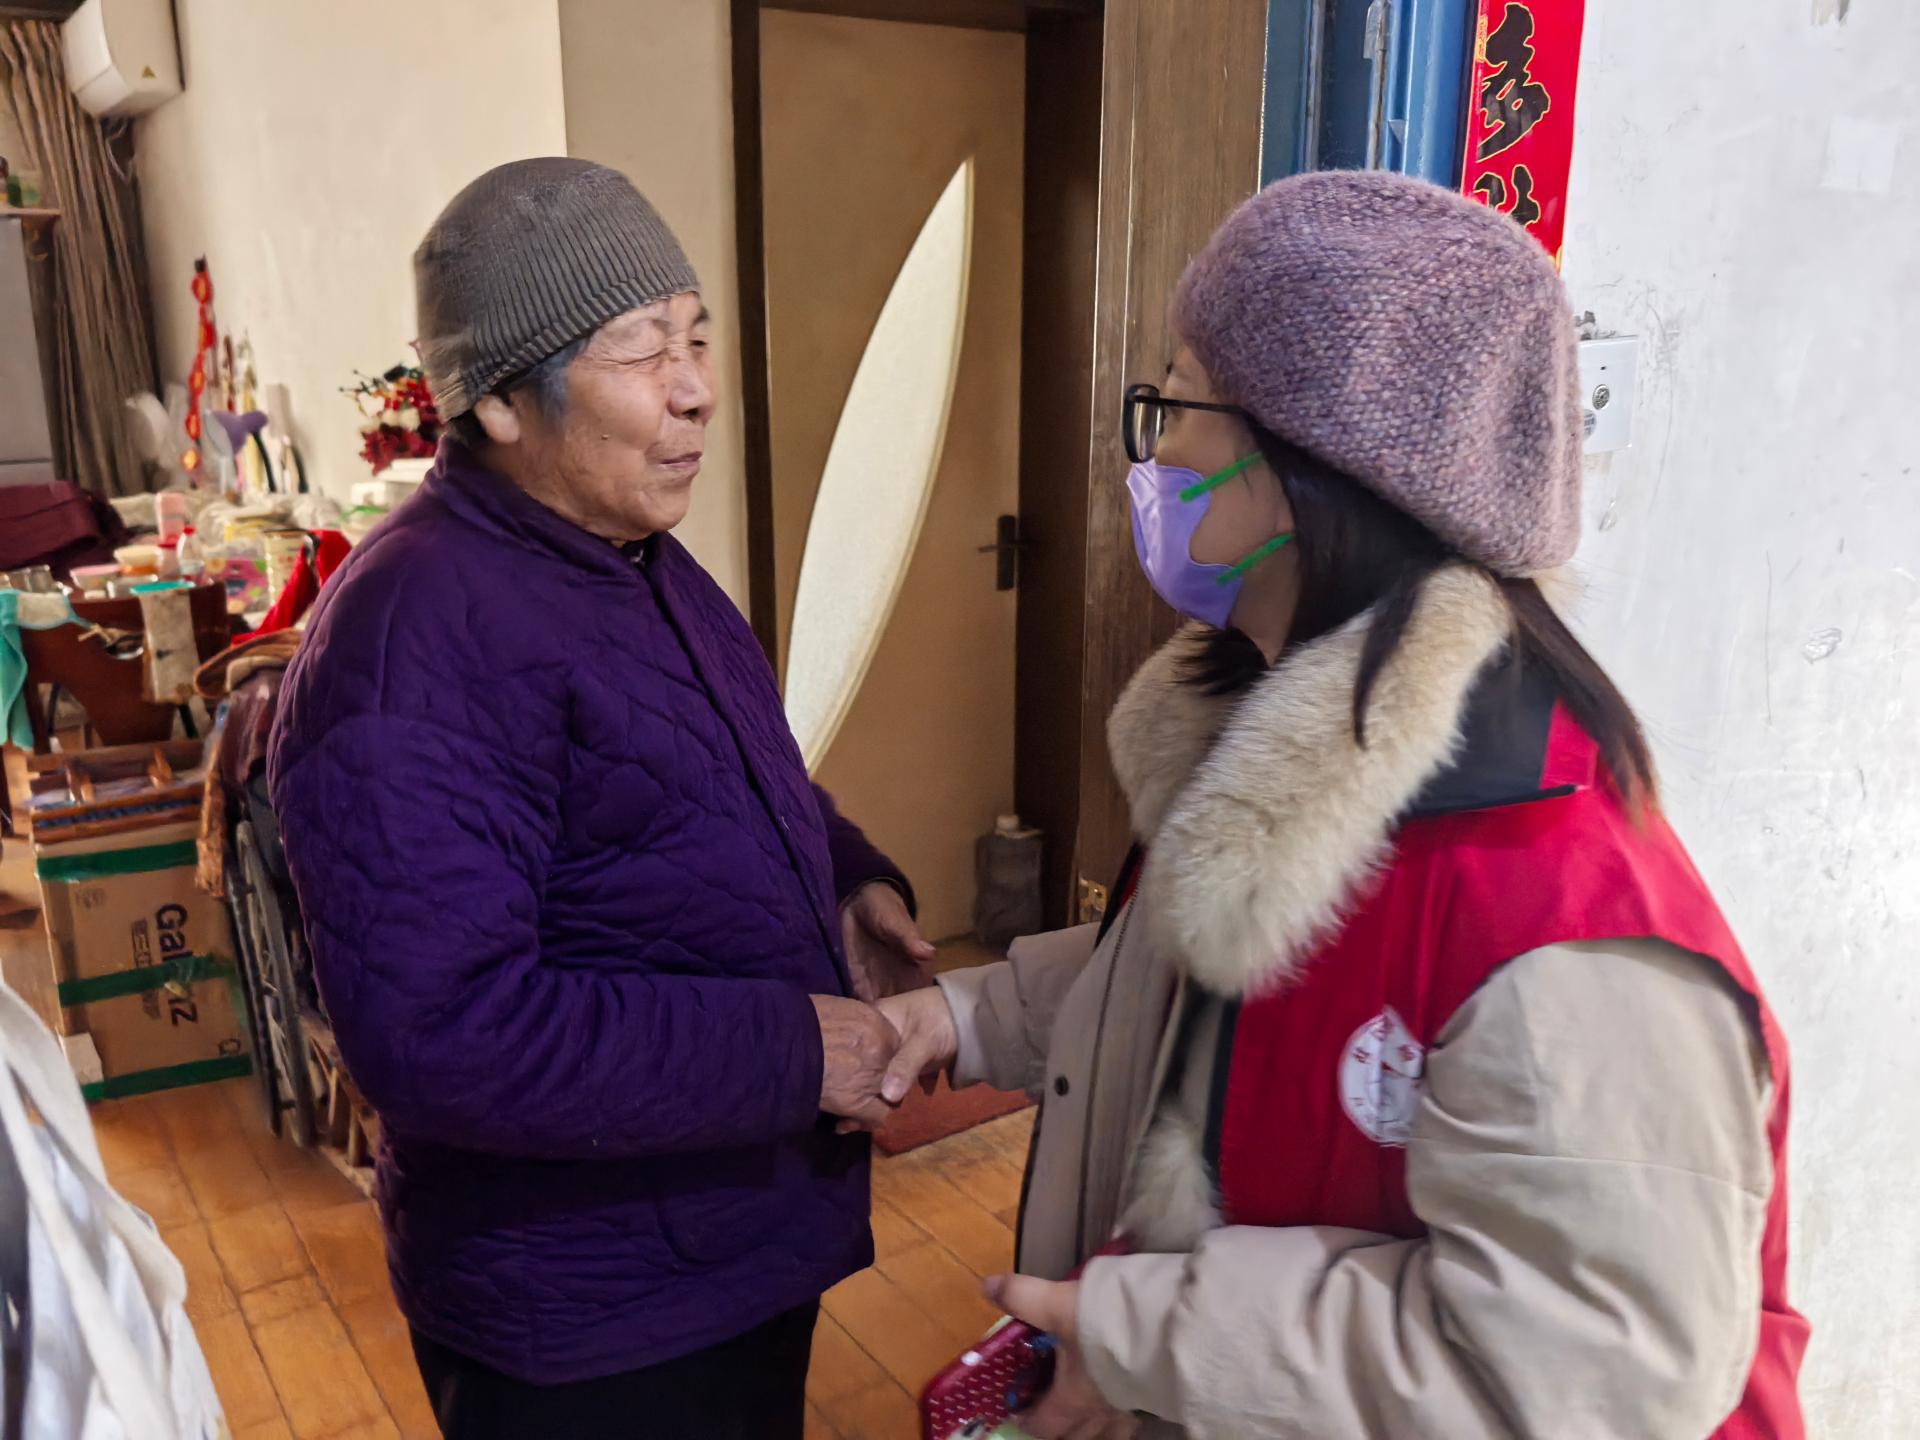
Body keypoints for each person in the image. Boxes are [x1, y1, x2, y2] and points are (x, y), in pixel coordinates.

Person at [879, 171, 1809, 1439]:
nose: (1154, 451)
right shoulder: (1271, 739)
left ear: (1309, 472)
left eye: (1177, 400)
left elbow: (1598, 1375)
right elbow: (1174, 991)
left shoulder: (1562, 929)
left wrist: (1153, 1339)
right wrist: (964, 1014)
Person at [268, 159, 937, 1439]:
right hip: (588, 1309)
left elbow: (717, 771)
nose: (696, 387)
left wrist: (848, 879)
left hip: (719, 1243)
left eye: (696, 336)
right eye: (641, 349)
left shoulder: (637, 557)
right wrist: (797, 1051)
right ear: (500, 401)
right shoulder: (412, 642)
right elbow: (442, 1035)